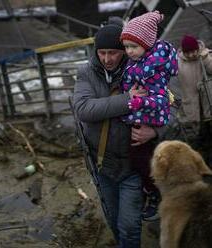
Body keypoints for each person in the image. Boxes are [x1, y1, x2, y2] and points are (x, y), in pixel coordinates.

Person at [73, 23, 168, 247]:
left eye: (113, 52)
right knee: (113, 220)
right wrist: (128, 100)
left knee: (129, 226)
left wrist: (155, 130)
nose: (107, 59)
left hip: (131, 167)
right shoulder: (86, 73)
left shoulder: (144, 70)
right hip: (102, 164)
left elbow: (171, 106)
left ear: (124, 50)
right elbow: (84, 110)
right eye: (102, 53)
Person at [119, 11, 178, 221]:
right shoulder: (141, 62)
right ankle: (153, 191)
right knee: (142, 160)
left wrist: (137, 101)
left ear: (147, 43)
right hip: (142, 117)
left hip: (149, 118)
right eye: (126, 47)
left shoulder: (152, 69)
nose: (129, 51)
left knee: (143, 161)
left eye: (133, 46)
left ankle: (154, 194)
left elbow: (162, 99)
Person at [177, 34, 212, 165]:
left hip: (208, 104)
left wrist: (206, 58)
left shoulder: (206, 55)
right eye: (188, 52)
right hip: (193, 109)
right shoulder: (178, 63)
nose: (192, 55)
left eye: (193, 51)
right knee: (200, 142)